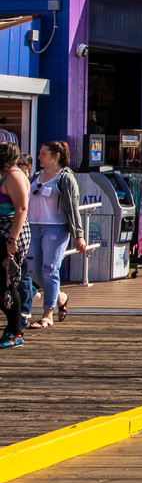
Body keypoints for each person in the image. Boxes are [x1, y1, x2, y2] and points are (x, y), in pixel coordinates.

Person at [24, 141, 87, 329]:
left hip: (55, 228)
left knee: (50, 269)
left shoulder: (65, 178)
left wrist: (79, 235)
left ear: (55, 156)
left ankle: (47, 314)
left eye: (44, 153)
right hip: (33, 226)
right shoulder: (35, 176)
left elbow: (73, 208)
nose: (39, 157)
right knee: (32, 270)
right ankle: (60, 296)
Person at [0, 143, 31, 348]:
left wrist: (12, 240)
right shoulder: (6, 174)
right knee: (3, 285)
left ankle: (15, 332)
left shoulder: (14, 175)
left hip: (10, 233)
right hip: (4, 231)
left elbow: (21, 208)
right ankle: (13, 326)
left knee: (7, 284)